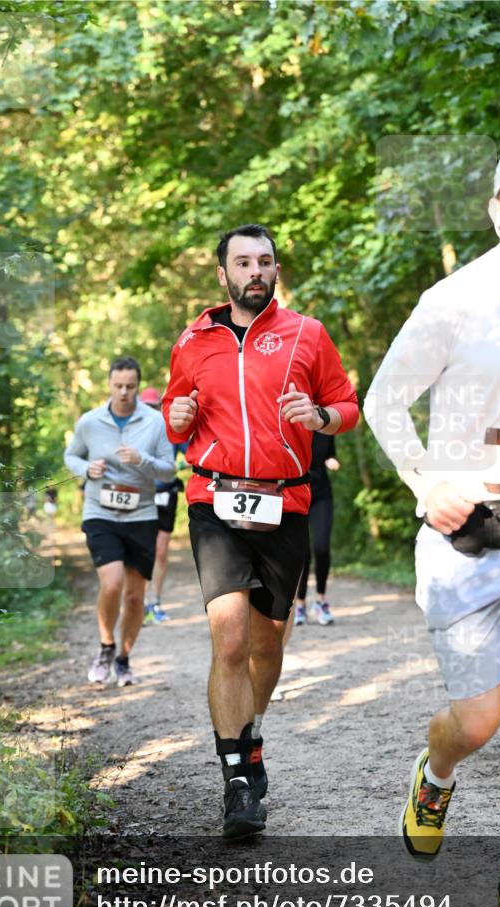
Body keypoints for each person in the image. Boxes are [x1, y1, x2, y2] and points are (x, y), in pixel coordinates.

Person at [364, 140, 500, 907]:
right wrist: (426, 482)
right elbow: (385, 403)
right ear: (496, 210)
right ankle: (435, 771)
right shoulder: (454, 300)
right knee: (478, 722)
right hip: (467, 539)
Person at [163, 223, 359, 838]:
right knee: (229, 641)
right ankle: (239, 781)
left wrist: (321, 414)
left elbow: (347, 406)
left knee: (268, 644)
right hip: (214, 500)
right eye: (242, 262)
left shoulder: (308, 333)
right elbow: (174, 422)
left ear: (275, 271)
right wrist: (178, 415)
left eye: (265, 261)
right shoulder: (193, 340)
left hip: (284, 503)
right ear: (222, 274)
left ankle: (248, 737)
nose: (255, 271)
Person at [64, 357, 175, 686]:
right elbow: (71, 455)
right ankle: (105, 647)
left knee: (134, 597)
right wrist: (86, 470)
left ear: (138, 386)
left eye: (130, 387)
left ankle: (124, 660)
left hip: (141, 514)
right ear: (109, 385)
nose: (124, 392)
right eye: (118, 386)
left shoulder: (155, 422)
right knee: (111, 584)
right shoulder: (91, 421)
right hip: (101, 512)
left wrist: (143, 460)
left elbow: (169, 468)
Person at [139, 386, 187, 623]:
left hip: (166, 493)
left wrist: (180, 464)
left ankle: (154, 601)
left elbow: (190, 454)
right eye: (146, 407)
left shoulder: (170, 430)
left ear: (160, 407)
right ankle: (138, 602)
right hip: (140, 496)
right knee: (141, 550)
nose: (151, 411)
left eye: (154, 407)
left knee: (160, 551)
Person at [294, 431, 341, 626]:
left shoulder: (325, 426)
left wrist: (331, 460)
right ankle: (300, 604)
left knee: (321, 547)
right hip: (297, 493)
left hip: (322, 495)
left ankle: (321, 601)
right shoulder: (291, 423)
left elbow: (330, 453)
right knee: (302, 552)